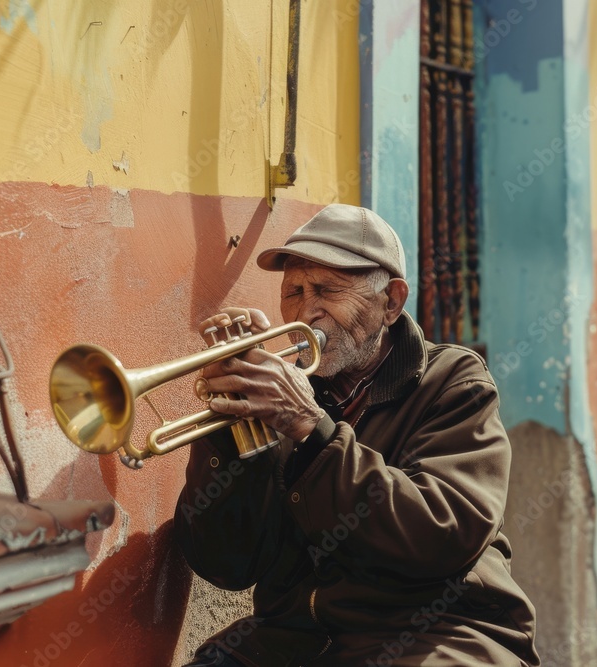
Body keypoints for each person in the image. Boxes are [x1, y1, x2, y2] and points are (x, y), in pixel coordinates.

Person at [174, 204, 540, 666]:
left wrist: (312, 431)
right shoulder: (283, 393)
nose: (306, 311)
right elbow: (227, 566)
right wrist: (230, 438)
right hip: (299, 637)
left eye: (327, 290)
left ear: (391, 302)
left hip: (442, 630)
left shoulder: (455, 380)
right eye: (294, 292)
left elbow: (441, 533)